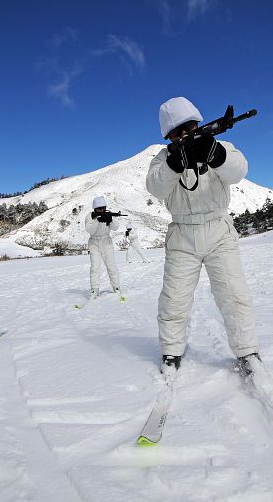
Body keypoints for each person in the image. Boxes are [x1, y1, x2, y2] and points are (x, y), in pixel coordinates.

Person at [146, 97, 260, 378]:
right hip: (182, 235)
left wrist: (216, 154)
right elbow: (155, 187)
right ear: (169, 136)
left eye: (191, 126)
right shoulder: (162, 158)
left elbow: (239, 170)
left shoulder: (217, 146)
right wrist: (175, 164)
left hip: (218, 230)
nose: (186, 133)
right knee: (174, 298)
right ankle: (171, 351)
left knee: (233, 294)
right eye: (178, 131)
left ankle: (247, 352)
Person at [84, 196, 121, 299]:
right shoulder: (90, 216)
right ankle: (94, 290)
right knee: (95, 268)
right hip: (94, 243)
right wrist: (97, 220)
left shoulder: (108, 214)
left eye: (104, 208)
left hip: (106, 243)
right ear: (95, 209)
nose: (102, 210)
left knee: (111, 266)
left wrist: (110, 220)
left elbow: (116, 228)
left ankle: (116, 287)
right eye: (100, 209)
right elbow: (90, 230)